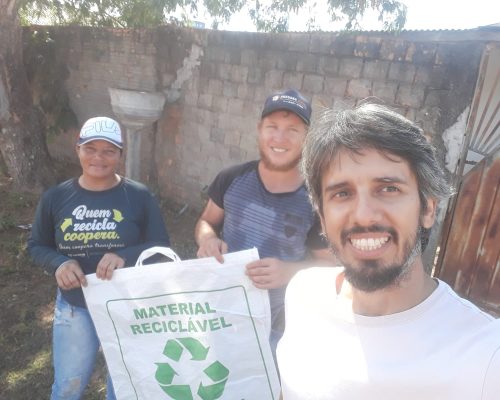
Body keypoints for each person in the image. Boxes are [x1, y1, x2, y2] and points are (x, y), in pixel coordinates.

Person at [277, 103, 500, 399]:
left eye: (388, 189)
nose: (364, 216)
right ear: (322, 217)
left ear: (428, 209)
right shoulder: (302, 295)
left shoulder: (485, 357)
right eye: (342, 193)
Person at [28, 116, 170, 400]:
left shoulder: (138, 196)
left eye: (108, 151)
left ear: (120, 154)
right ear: (77, 149)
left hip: (126, 306)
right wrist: (59, 263)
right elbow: (36, 245)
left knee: (123, 387)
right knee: (67, 386)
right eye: (90, 149)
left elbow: (161, 247)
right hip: (75, 306)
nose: (98, 158)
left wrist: (124, 256)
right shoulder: (56, 197)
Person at [194, 89, 330, 356]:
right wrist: (208, 238)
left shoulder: (317, 200)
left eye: (292, 130)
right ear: (259, 129)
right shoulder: (231, 178)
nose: (279, 138)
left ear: (307, 137)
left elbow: (330, 266)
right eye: (272, 127)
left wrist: (290, 271)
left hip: (278, 323)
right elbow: (206, 221)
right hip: (220, 308)